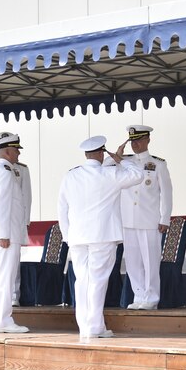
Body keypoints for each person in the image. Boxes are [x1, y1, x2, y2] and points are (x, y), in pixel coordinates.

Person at [57, 136, 143, 339]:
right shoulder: (110, 174)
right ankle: (94, 327)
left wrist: (67, 235)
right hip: (102, 236)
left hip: (77, 237)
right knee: (97, 280)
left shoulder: (71, 175)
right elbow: (138, 174)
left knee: (82, 281)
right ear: (102, 152)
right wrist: (121, 159)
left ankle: (87, 326)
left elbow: (62, 207)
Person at [120, 125, 173, 310]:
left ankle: (151, 298)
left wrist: (164, 218)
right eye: (132, 141)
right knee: (133, 261)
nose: (135, 144)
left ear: (148, 140)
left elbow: (166, 193)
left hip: (150, 220)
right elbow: (101, 165)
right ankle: (139, 295)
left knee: (150, 261)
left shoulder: (158, 164)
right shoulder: (123, 162)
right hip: (128, 220)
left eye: (139, 140)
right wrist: (119, 153)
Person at [0, 132, 32, 306]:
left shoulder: (18, 169)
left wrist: (24, 222)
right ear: (8, 151)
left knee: (8, 270)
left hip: (9, 227)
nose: (19, 154)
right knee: (1, 270)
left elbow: (26, 197)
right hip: (2, 228)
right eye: (16, 150)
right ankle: (2, 309)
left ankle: (11, 299)